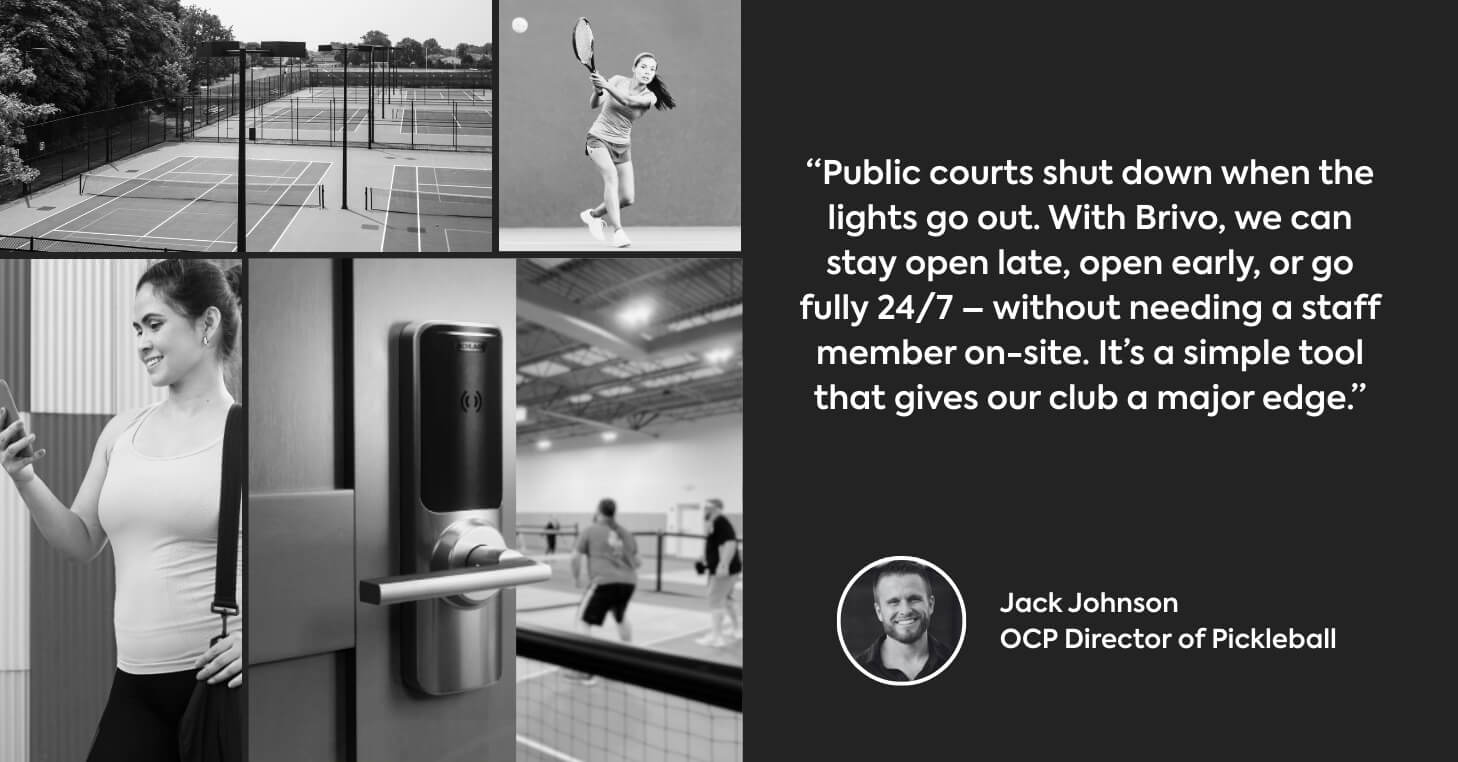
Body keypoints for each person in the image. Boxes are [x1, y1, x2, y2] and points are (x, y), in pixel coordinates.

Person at [0, 259, 244, 761]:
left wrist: (265, 637)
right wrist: (23, 476)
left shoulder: (252, 432)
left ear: (207, 324)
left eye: (154, 325)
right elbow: (81, 540)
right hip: (135, 685)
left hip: (222, 686)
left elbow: (314, 559)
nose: (141, 343)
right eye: (136, 329)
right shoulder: (121, 431)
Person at [578, 52, 677, 248]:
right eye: (643, 67)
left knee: (627, 198)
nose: (647, 71)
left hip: (622, 145)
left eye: (652, 69)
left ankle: (592, 215)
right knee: (611, 177)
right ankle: (618, 232)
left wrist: (606, 85)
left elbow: (628, 102)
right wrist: (598, 90)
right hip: (598, 137)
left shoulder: (650, 96)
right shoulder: (617, 80)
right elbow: (594, 105)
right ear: (634, 68)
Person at [854, 560, 952, 682]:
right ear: (879, 612)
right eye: (893, 602)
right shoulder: (859, 668)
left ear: (930, 605)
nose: (905, 611)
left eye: (914, 599)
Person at [571, 498, 640, 643]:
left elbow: (575, 557)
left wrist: (576, 577)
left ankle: (585, 662)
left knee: (583, 622)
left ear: (598, 511)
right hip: (628, 583)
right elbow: (637, 562)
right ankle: (629, 655)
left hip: (604, 582)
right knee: (620, 617)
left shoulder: (590, 530)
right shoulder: (626, 533)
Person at [696, 498, 742, 647]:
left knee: (714, 599)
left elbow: (730, 543)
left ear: (717, 508)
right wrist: (703, 559)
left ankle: (717, 637)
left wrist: (723, 565)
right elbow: (713, 543)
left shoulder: (720, 521)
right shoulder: (713, 523)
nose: (705, 509)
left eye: (709, 507)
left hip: (723, 569)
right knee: (727, 598)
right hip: (721, 567)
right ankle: (738, 629)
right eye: (705, 507)